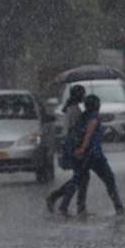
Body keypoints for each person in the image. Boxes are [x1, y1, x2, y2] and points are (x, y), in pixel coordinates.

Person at [51, 95, 125, 216]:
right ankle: (118, 207)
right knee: (108, 179)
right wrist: (83, 147)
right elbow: (89, 133)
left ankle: (71, 206)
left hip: (83, 156)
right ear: (97, 105)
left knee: (79, 180)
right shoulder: (93, 117)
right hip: (94, 155)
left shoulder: (83, 116)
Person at [44, 85, 86, 214]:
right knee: (79, 177)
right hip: (74, 145)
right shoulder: (73, 110)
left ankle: (71, 205)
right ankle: (58, 200)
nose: (84, 96)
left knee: (80, 177)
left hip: (72, 144)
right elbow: (74, 129)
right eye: (82, 94)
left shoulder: (72, 108)